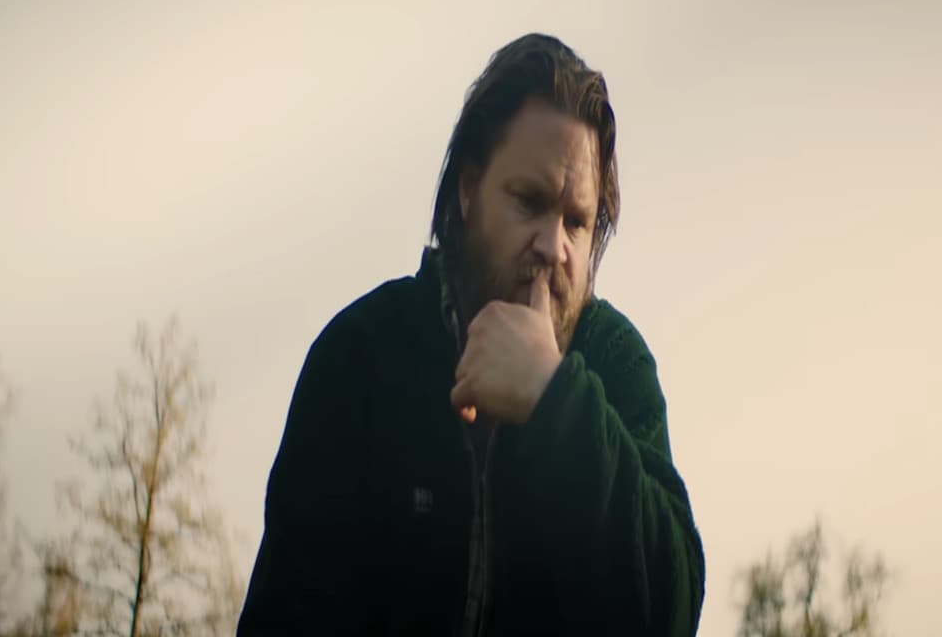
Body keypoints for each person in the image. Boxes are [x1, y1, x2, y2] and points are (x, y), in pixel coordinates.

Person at [237, 33, 705, 636]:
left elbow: (668, 615)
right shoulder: (359, 358)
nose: (553, 247)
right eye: (529, 202)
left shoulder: (616, 367)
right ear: (467, 189)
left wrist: (554, 401)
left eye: (576, 222)